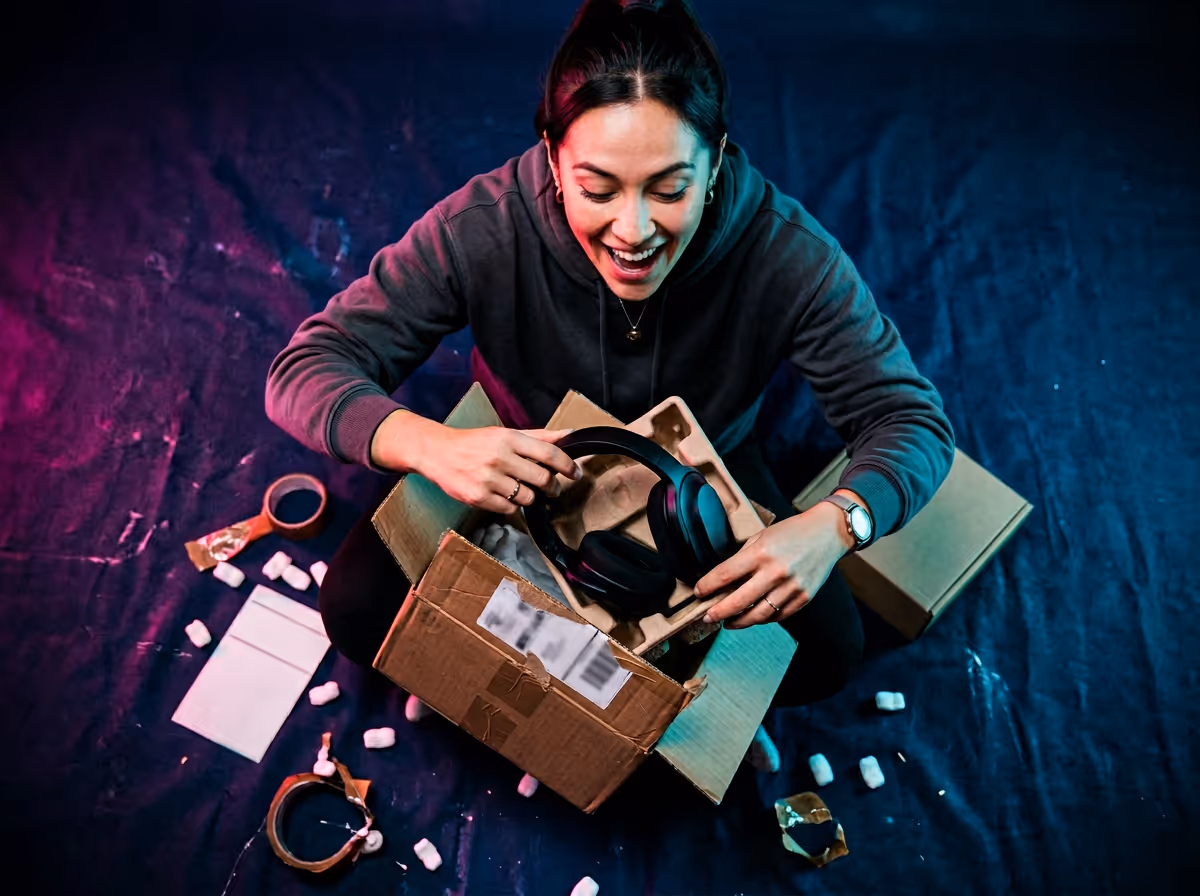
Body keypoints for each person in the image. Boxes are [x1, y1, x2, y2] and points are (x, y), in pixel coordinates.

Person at [265, 0, 955, 744]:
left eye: (670, 189)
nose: (634, 233)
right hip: (522, 464)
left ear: (716, 161)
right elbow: (306, 367)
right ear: (554, 157)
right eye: (598, 188)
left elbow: (911, 421)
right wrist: (432, 445)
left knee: (824, 651)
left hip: (703, 483)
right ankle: (600, 703)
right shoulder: (483, 226)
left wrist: (835, 524)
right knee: (359, 607)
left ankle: (589, 697)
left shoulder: (788, 257)